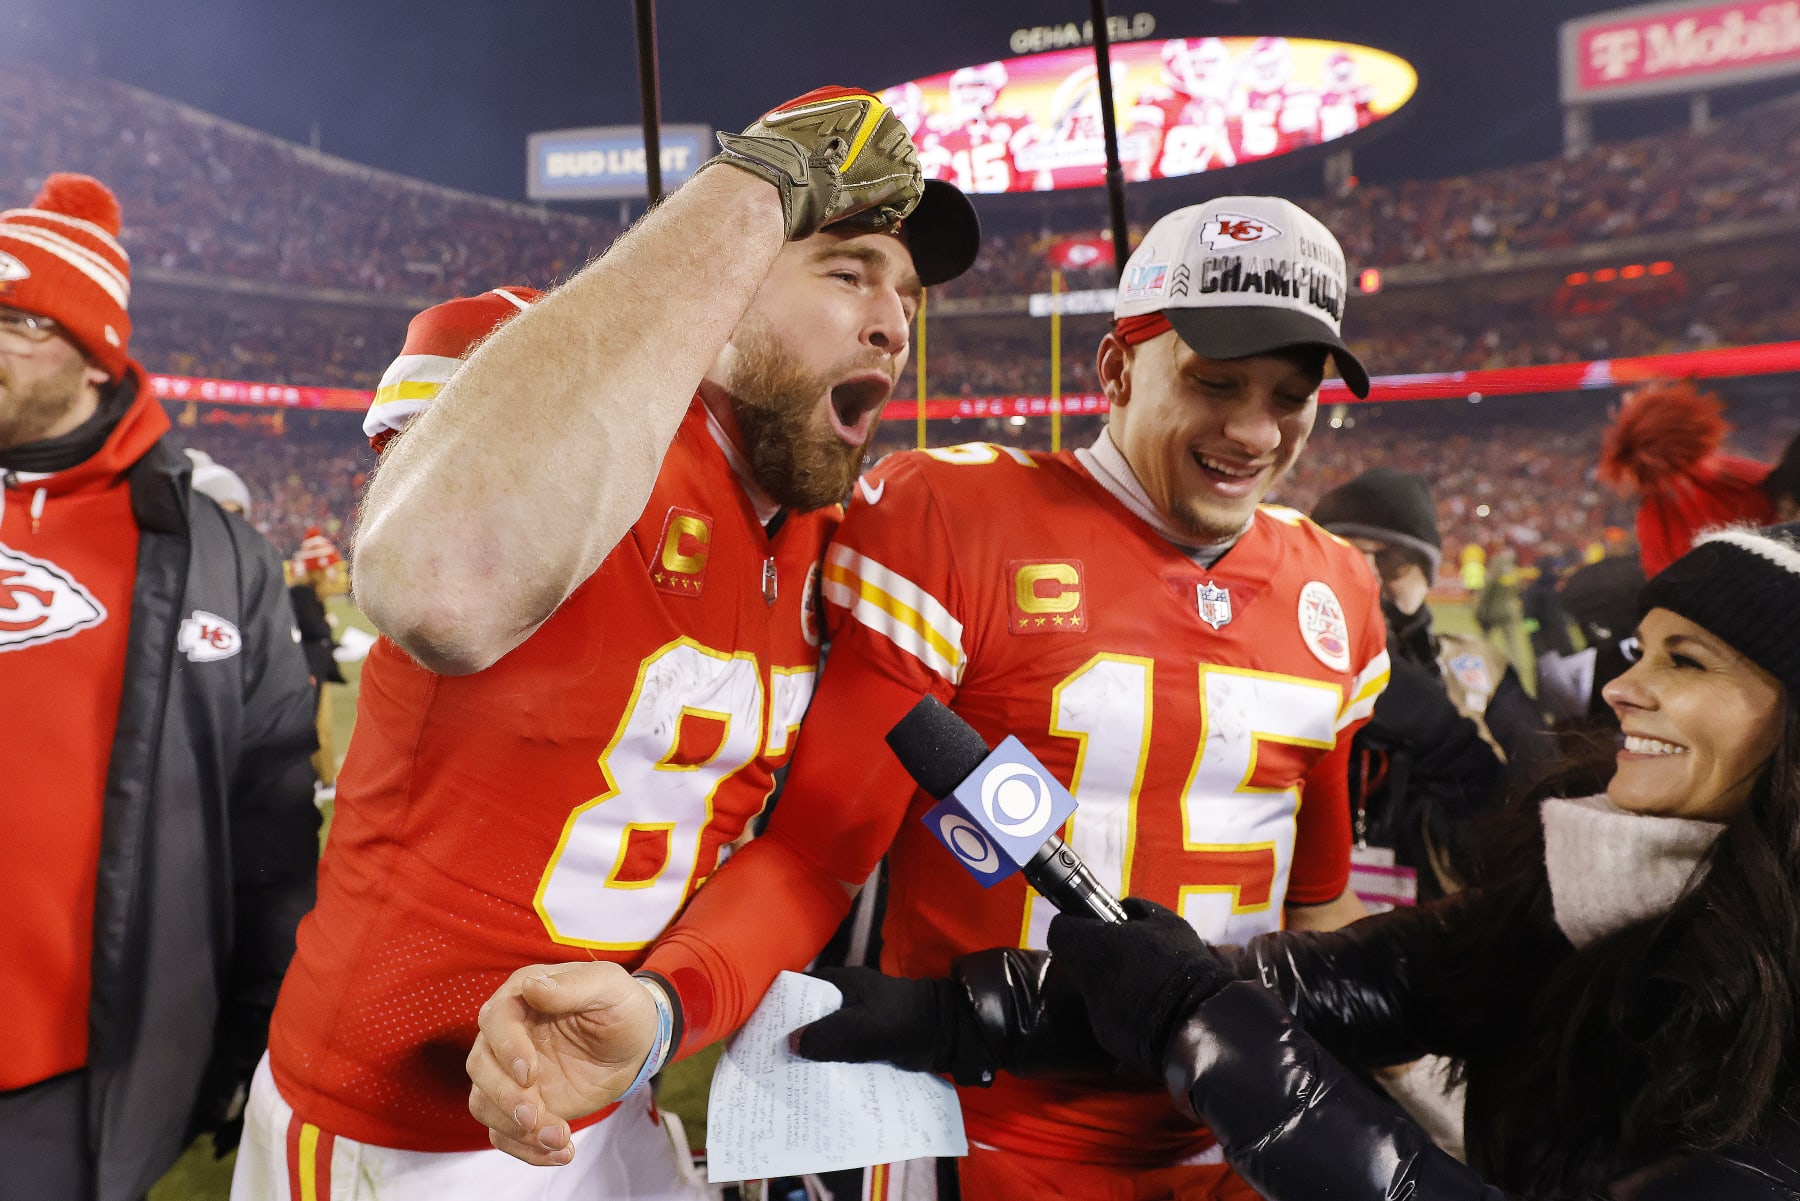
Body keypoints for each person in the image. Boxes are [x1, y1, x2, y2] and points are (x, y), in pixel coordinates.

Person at [468, 195, 1388, 1200]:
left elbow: (1320, 901)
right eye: (1214, 382)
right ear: (1118, 371)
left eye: (1290, 397)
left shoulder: (1334, 586)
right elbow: (817, 853)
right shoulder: (953, 519)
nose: (1255, 429)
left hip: (1241, 1138)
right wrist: (664, 1006)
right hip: (975, 1131)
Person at [235, 88, 979, 1201]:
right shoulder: (541, 374)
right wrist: (753, 191)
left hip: (612, 1090)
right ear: (723, 279)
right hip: (397, 1131)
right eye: (847, 271)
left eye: (910, 296)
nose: (893, 321)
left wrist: (669, 1003)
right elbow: (440, 586)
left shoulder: (835, 536)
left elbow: (812, 854)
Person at [822, 523, 1800, 1199]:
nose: (1622, 687)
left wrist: (1190, 1019)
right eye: (1644, 649)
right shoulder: (1610, 876)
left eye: (1687, 660)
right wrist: (968, 1011)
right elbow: (1347, 979)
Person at [0, 173, 319, 1201]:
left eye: (12, 321)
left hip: (79, 1088)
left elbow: (272, 820)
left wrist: (253, 1022)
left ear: (93, 351)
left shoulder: (220, 556)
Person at [1311, 467, 1545, 895]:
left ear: (1427, 571)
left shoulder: (1480, 668)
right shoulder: (1279, 675)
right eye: (1346, 556)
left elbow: (1541, 799)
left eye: (1393, 560)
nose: (1369, 577)